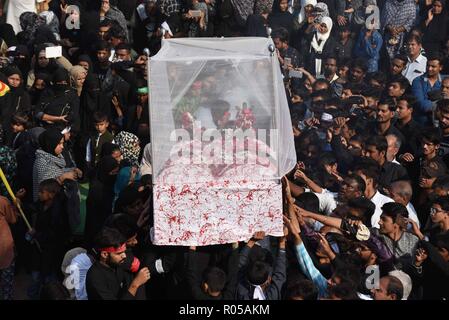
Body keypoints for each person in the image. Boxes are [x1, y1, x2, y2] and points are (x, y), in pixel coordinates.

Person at [86, 227, 150, 300]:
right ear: (104, 254)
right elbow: (134, 285)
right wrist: (135, 284)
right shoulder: (95, 277)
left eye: (124, 252)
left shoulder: (119, 264)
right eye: (119, 253)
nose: (124, 256)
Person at [412, 53, 443, 126]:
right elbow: (422, 105)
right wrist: (441, 105)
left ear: (440, 67)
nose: (429, 68)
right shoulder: (417, 81)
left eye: (433, 66)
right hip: (421, 124)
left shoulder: (445, 82)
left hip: (440, 125)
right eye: (428, 65)